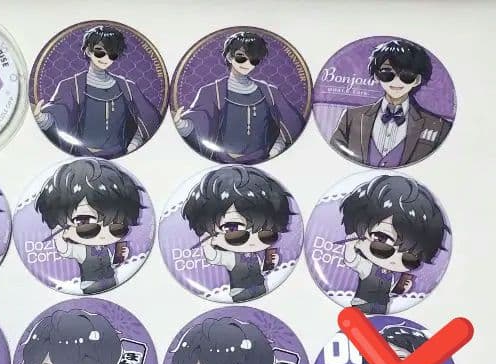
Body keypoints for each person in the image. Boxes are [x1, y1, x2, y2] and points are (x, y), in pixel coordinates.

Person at [33, 25, 163, 158]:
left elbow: (150, 119)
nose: (105, 58)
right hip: (80, 156)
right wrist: (41, 118)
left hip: (123, 155)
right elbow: (58, 118)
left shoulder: (128, 87)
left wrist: (134, 144)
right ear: (88, 51)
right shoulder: (70, 86)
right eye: (100, 52)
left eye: (112, 55)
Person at [174, 31, 305, 163]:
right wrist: (181, 124)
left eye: (253, 60)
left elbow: (292, 126)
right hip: (221, 161)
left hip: (265, 160)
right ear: (229, 57)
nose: (247, 64)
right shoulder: (211, 92)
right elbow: (198, 125)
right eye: (241, 58)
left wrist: (276, 149)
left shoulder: (270, 92)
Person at [330, 39, 452, 167]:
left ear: (417, 80)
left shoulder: (439, 127)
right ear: (376, 76)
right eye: (387, 73)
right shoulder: (351, 117)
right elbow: (334, 160)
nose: (396, 81)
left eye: (406, 74)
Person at [339, 175, 448, 314]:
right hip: (362, 306)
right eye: (381, 243)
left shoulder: (390, 276)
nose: (394, 260)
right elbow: (351, 260)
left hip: (382, 308)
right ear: (359, 238)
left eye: (410, 257)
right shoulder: (367, 267)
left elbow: (387, 291)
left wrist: (400, 288)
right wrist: (350, 245)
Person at [182, 166, 293, 302]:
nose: (253, 241)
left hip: (261, 287)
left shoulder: (255, 256)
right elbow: (213, 257)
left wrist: (270, 264)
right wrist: (206, 244)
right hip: (241, 292)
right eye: (234, 231)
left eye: (266, 233)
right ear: (211, 234)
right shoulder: (231, 258)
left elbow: (261, 270)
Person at [34, 159, 144, 294]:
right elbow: (64, 249)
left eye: (117, 226)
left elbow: (111, 264)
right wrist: (57, 231)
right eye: (85, 224)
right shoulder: (81, 250)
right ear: (63, 227)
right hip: (91, 284)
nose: (104, 234)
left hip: (111, 280)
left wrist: (120, 257)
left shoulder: (106, 249)